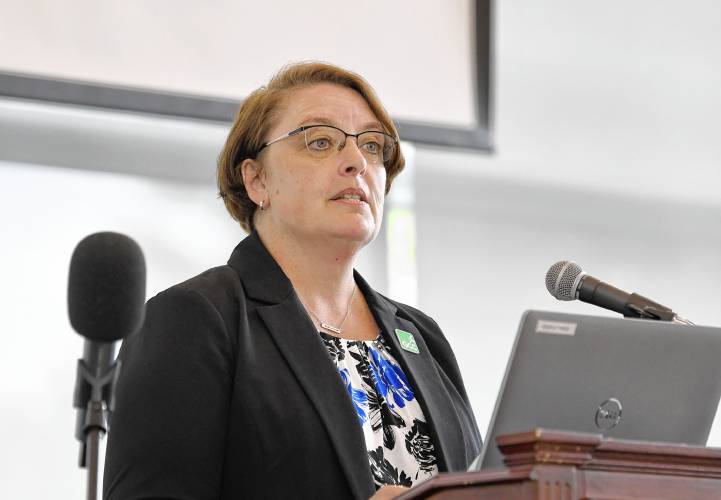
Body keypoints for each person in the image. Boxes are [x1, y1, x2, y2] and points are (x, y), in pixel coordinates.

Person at [103, 61, 481, 500]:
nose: (357, 162)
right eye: (320, 141)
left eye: (373, 147)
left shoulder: (422, 336)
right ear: (257, 179)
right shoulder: (196, 319)